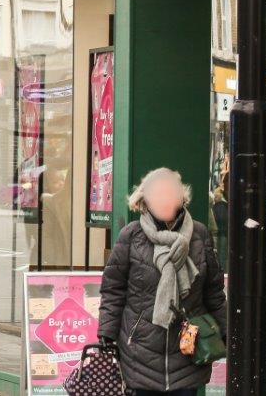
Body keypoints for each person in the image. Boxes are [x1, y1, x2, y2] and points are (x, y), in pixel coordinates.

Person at [99, 167, 228, 395]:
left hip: (187, 352)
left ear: (181, 198)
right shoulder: (131, 236)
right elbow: (113, 291)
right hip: (139, 353)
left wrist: (226, 332)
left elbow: (214, 292)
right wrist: (106, 335)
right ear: (144, 201)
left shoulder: (199, 235)